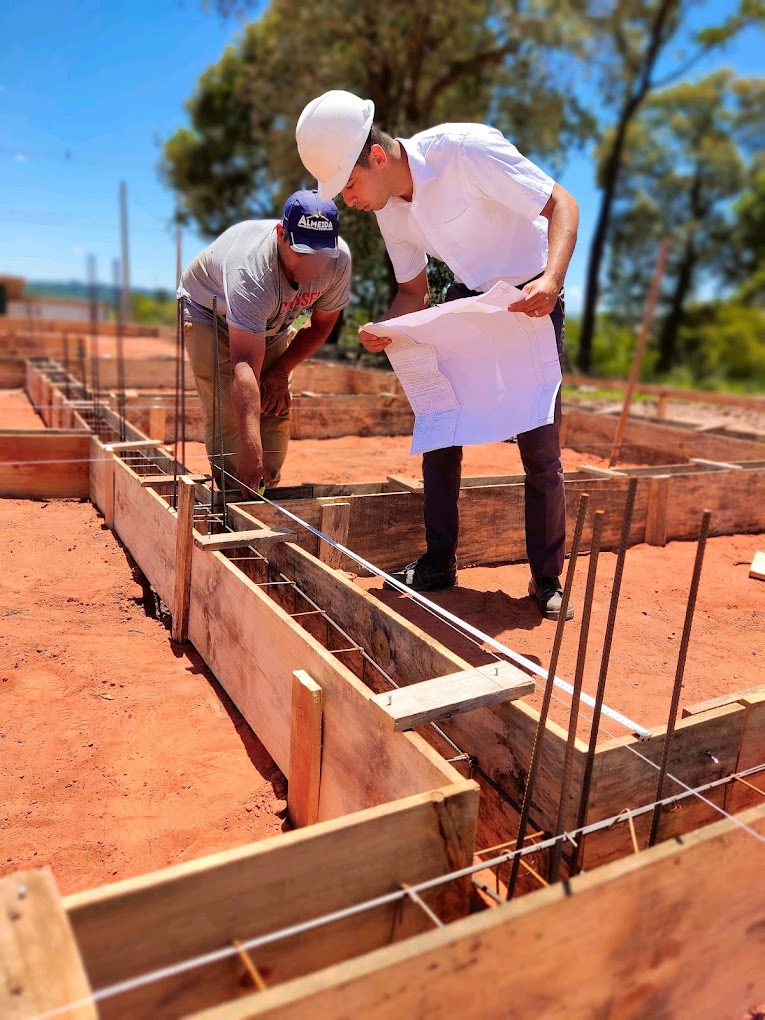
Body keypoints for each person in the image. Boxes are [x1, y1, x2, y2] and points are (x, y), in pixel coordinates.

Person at [296, 91, 579, 620]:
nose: (348, 201)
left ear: (377, 157)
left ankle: (546, 580)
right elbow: (413, 292)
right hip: (467, 299)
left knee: (540, 447)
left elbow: (562, 204)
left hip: (530, 297)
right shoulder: (387, 209)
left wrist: (552, 280)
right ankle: (438, 563)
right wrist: (387, 328)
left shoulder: (466, 150)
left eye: (349, 184)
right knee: (440, 429)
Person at [179, 189, 351, 496]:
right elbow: (244, 362)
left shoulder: (338, 263)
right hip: (208, 310)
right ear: (281, 235)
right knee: (230, 415)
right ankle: (236, 500)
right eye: (302, 250)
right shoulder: (252, 270)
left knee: (274, 401)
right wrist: (250, 451)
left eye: (322, 253)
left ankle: (264, 491)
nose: (313, 263)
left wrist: (281, 371)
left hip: (267, 321)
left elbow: (321, 325)